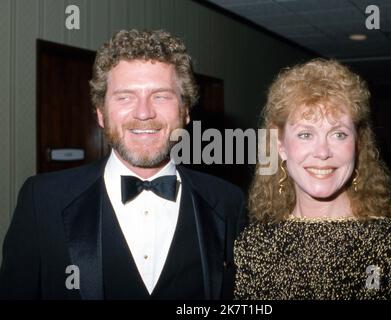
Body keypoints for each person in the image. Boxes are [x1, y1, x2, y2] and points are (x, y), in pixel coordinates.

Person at [0, 29, 246, 300]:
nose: (143, 113)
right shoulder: (42, 200)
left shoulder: (227, 202)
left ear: (185, 112)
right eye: (125, 97)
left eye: (161, 96)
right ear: (101, 114)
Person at [234, 59, 391, 300]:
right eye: (305, 134)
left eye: (338, 134)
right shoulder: (254, 246)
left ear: (357, 144)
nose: (323, 152)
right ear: (280, 145)